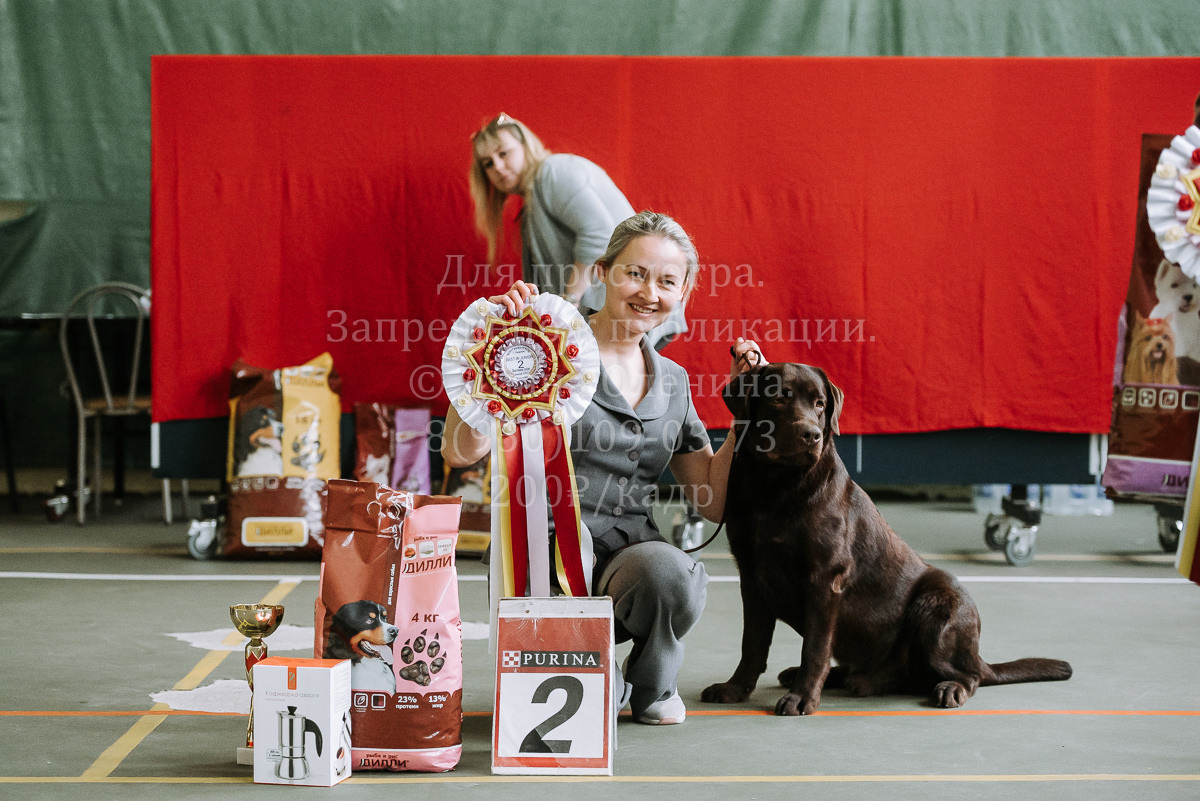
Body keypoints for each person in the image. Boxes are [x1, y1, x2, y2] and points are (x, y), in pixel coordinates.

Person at [442, 210, 763, 725]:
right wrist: (493, 349)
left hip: (627, 568)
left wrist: (746, 414)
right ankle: (591, 674)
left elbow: (711, 499)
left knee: (671, 572)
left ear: (684, 293)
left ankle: (651, 683)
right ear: (605, 271)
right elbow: (461, 452)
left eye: (667, 281)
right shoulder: (542, 345)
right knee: (585, 705)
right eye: (635, 273)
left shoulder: (675, 381)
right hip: (539, 566)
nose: (648, 292)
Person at [469, 114, 686, 349]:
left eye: (504, 153)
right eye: (488, 163)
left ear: (525, 145)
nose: (498, 167)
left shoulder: (552, 172)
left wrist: (569, 303)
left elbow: (599, 234)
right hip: (614, 320)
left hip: (626, 313)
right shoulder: (533, 200)